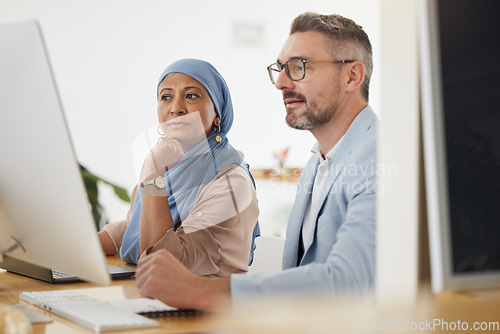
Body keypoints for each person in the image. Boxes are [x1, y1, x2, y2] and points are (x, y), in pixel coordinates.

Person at [135, 12, 377, 310]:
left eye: (299, 67)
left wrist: (201, 290)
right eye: (280, 68)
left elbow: (349, 279)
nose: (281, 83)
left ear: (352, 76)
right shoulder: (317, 162)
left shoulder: (379, 157)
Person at [98, 59, 260, 276]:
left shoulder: (231, 182)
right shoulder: (167, 166)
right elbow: (133, 228)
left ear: (217, 114)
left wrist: (153, 176)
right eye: (166, 97)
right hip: (154, 296)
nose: (176, 108)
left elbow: (163, 264)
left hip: (207, 304)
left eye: (191, 96)